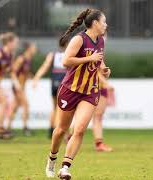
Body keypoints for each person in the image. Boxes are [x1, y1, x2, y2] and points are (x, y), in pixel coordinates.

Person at [45, 8, 110, 179]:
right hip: (70, 90)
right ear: (95, 23)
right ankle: (52, 158)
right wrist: (89, 59)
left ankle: (65, 167)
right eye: (103, 22)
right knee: (60, 130)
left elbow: (99, 57)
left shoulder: (101, 40)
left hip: (90, 91)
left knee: (80, 129)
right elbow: (66, 61)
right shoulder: (79, 39)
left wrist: (102, 68)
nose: (106, 25)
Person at [32, 38, 69, 139]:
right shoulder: (70, 55)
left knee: (54, 108)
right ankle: (59, 132)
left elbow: (45, 66)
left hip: (54, 84)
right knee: (61, 109)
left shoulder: (52, 55)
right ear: (68, 44)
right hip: (64, 85)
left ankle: (51, 129)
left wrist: (36, 78)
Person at [6, 42, 37, 136]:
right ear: (29, 49)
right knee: (26, 105)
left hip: (21, 87)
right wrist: (16, 84)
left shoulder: (28, 59)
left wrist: (33, 77)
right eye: (33, 47)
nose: (35, 49)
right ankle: (25, 128)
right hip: (18, 87)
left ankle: (8, 128)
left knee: (14, 107)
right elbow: (12, 72)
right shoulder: (21, 59)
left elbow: (24, 73)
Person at [92, 73, 114, 152]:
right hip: (91, 87)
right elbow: (95, 70)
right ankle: (70, 137)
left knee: (98, 117)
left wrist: (106, 71)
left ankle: (99, 143)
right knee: (96, 117)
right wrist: (106, 83)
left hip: (100, 87)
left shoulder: (101, 60)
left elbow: (101, 70)